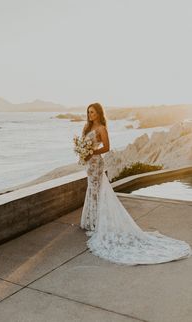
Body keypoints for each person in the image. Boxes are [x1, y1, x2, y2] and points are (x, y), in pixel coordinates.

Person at [80, 102, 192, 265]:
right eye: (89, 112)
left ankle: (98, 223)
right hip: (89, 165)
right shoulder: (87, 127)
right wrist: (82, 152)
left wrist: (91, 152)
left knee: (98, 191)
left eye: (93, 112)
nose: (91, 115)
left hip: (96, 163)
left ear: (99, 113)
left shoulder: (101, 128)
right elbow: (84, 143)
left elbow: (106, 148)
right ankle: (91, 221)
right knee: (92, 189)